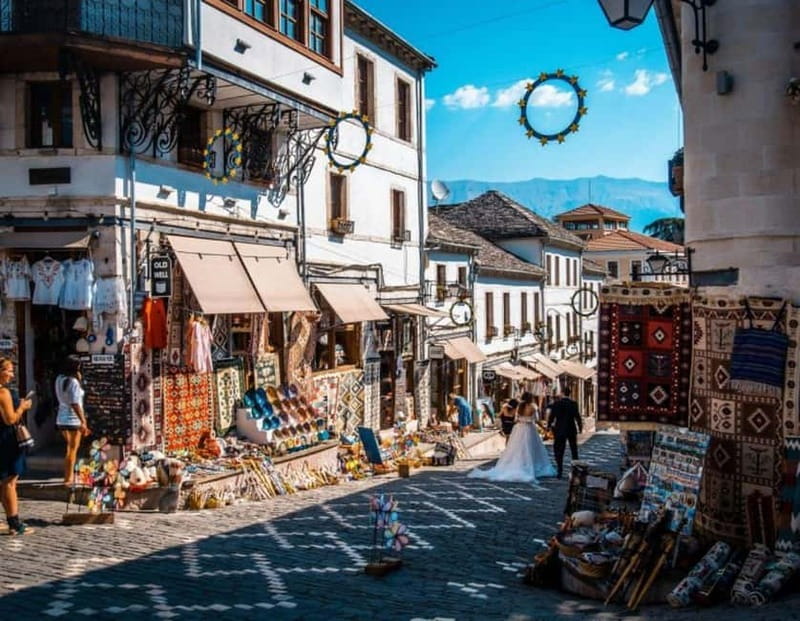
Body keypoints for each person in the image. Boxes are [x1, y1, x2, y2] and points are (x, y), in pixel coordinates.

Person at [468, 391, 556, 484]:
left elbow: (516, 419)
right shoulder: (533, 407)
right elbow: (536, 419)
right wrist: (543, 426)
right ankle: (531, 466)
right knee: (531, 448)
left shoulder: (520, 406)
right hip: (529, 428)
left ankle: (517, 465)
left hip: (519, 428)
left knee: (516, 448)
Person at [0, 356, 34, 535]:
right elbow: (10, 419)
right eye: (9, 370)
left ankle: (10, 520)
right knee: (10, 481)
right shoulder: (3, 393)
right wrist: (22, 407)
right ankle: (15, 522)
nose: (11, 375)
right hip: (7, 440)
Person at [55, 356, 89, 487]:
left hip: (61, 418)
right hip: (73, 419)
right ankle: (68, 478)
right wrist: (83, 421)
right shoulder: (73, 382)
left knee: (70, 448)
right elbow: (75, 403)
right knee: (72, 450)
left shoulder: (59, 379)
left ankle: (69, 476)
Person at [547, 387, 583, 478]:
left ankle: (560, 470)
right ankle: (575, 470)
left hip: (559, 429)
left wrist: (548, 426)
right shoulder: (573, 404)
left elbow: (551, 416)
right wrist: (580, 427)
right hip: (571, 429)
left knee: (559, 450)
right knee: (574, 450)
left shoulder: (557, 403)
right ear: (569, 394)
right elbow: (577, 416)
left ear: (562, 393)